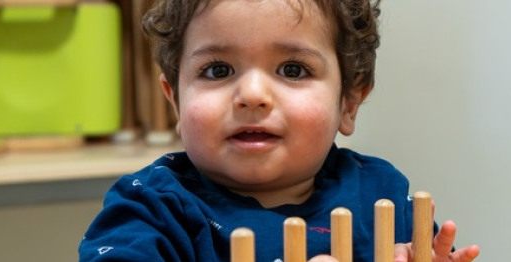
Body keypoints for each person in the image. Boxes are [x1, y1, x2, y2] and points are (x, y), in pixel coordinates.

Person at [79, 0, 479, 261]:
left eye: (293, 70)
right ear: (175, 102)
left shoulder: (382, 194)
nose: (252, 95)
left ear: (349, 102)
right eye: (217, 70)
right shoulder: (151, 210)